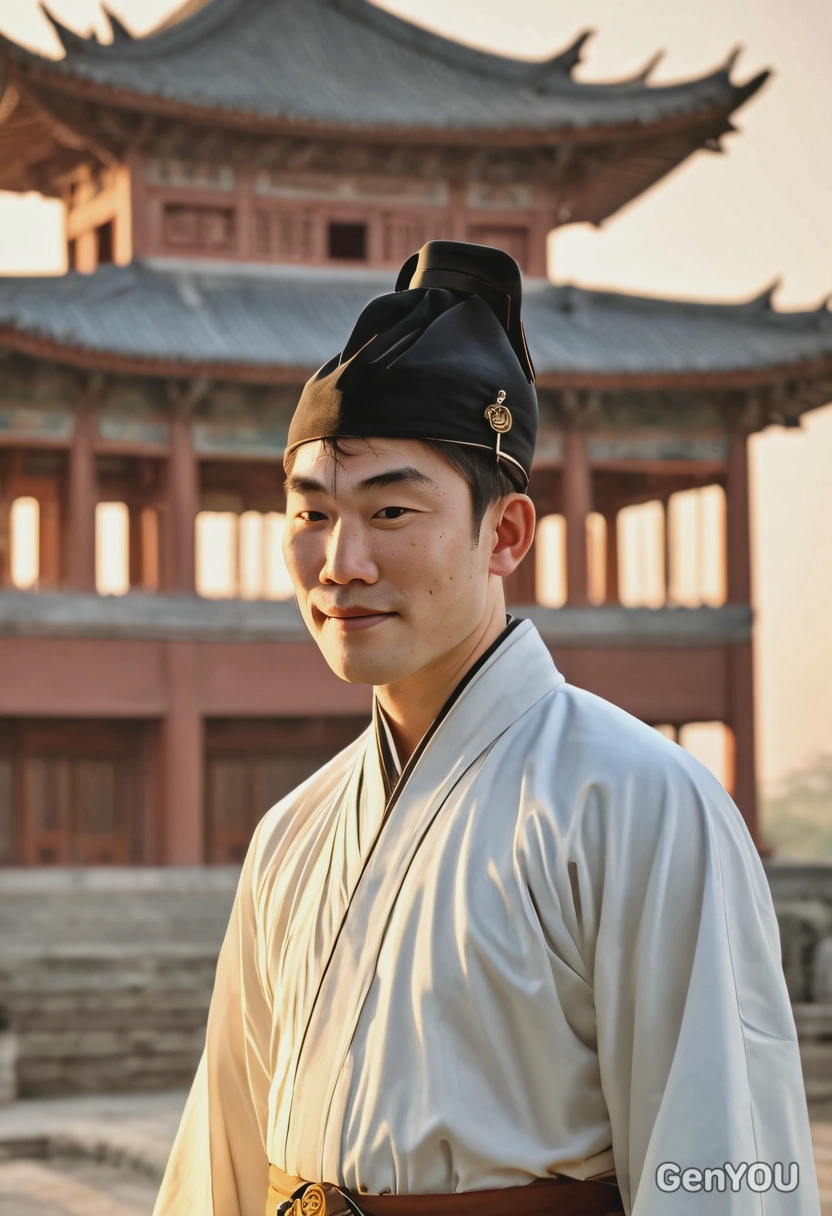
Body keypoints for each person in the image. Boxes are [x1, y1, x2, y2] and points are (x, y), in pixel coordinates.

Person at [153, 242, 820, 1216]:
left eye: (389, 509)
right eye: (311, 513)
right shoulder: (290, 836)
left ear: (504, 533)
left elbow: (719, 1167)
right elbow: (220, 1168)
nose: (339, 561)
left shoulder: (636, 803)